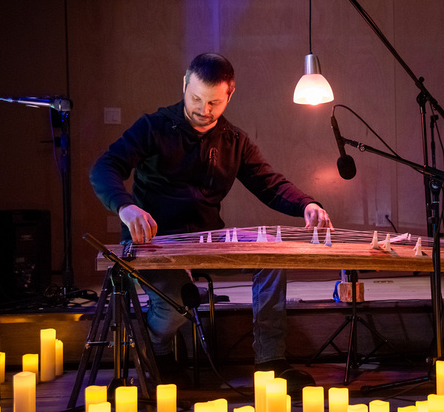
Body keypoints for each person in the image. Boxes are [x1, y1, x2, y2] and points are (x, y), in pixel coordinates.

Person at [90, 53, 332, 392]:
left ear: (229, 96)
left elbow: (269, 183)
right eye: (196, 99)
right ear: (185, 86)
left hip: (207, 237)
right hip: (152, 241)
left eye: (214, 102)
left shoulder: (234, 140)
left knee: (273, 257)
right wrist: (126, 208)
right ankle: (158, 351)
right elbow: (104, 167)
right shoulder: (154, 127)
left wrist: (307, 204)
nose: (204, 109)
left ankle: (271, 362)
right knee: (174, 304)